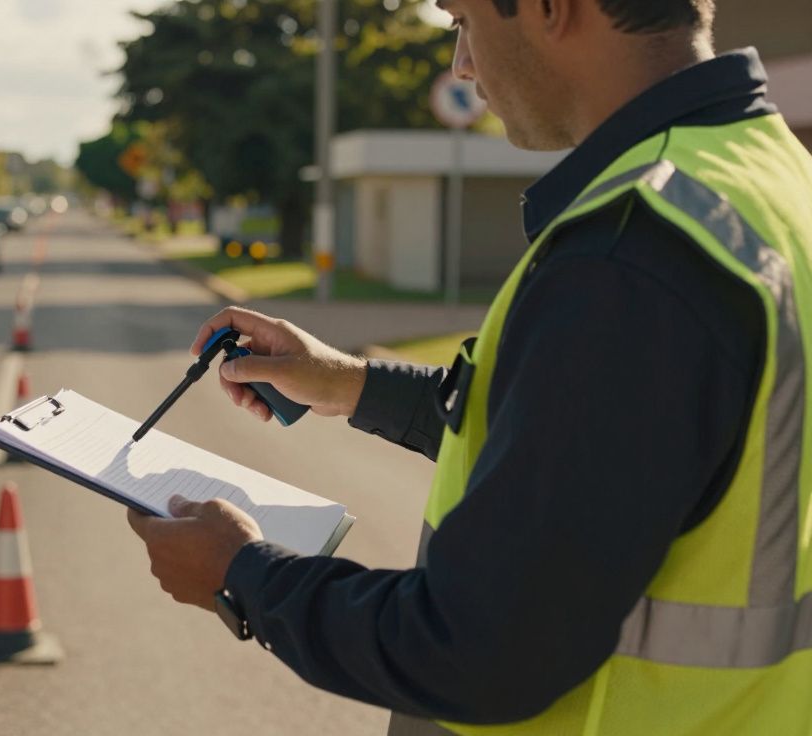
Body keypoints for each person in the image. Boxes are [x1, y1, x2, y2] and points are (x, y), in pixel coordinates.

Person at [126, 0, 812, 733]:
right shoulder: (771, 180)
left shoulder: (629, 255)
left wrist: (243, 574)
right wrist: (346, 382)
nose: (460, 62)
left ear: (552, 9)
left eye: (462, 20)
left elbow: (477, 649)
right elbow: (588, 440)